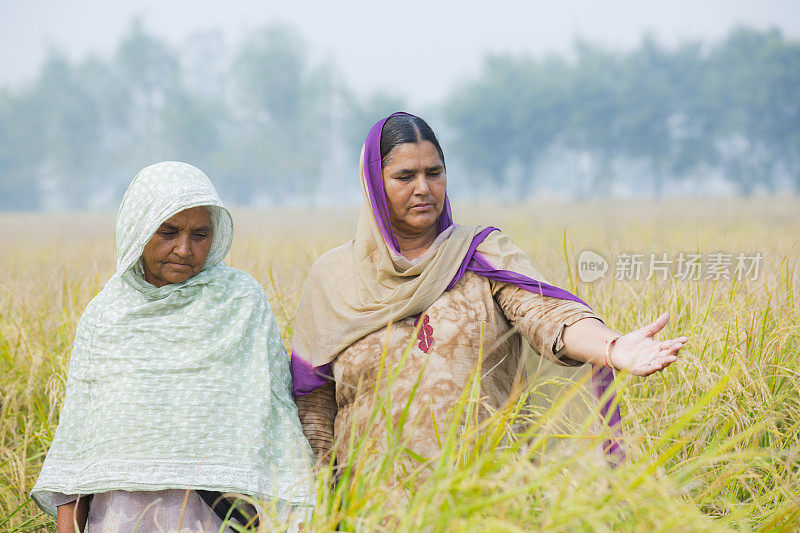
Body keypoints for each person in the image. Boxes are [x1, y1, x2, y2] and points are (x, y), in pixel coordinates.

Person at [291, 112, 688, 474]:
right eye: (405, 177)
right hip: (371, 506)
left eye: (434, 173)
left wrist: (612, 346)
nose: (423, 188)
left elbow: (549, 315)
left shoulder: (481, 253)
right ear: (374, 184)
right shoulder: (333, 278)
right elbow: (314, 406)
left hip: (482, 498)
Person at [31, 161, 314, 532]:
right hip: (123, 514)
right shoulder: (108, 313)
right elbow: (81, 434)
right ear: (139, 228)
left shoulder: (241, 303)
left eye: (200, 235)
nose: (184, 249)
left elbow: (274, 416)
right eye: (168, 232)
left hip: (219, 513)